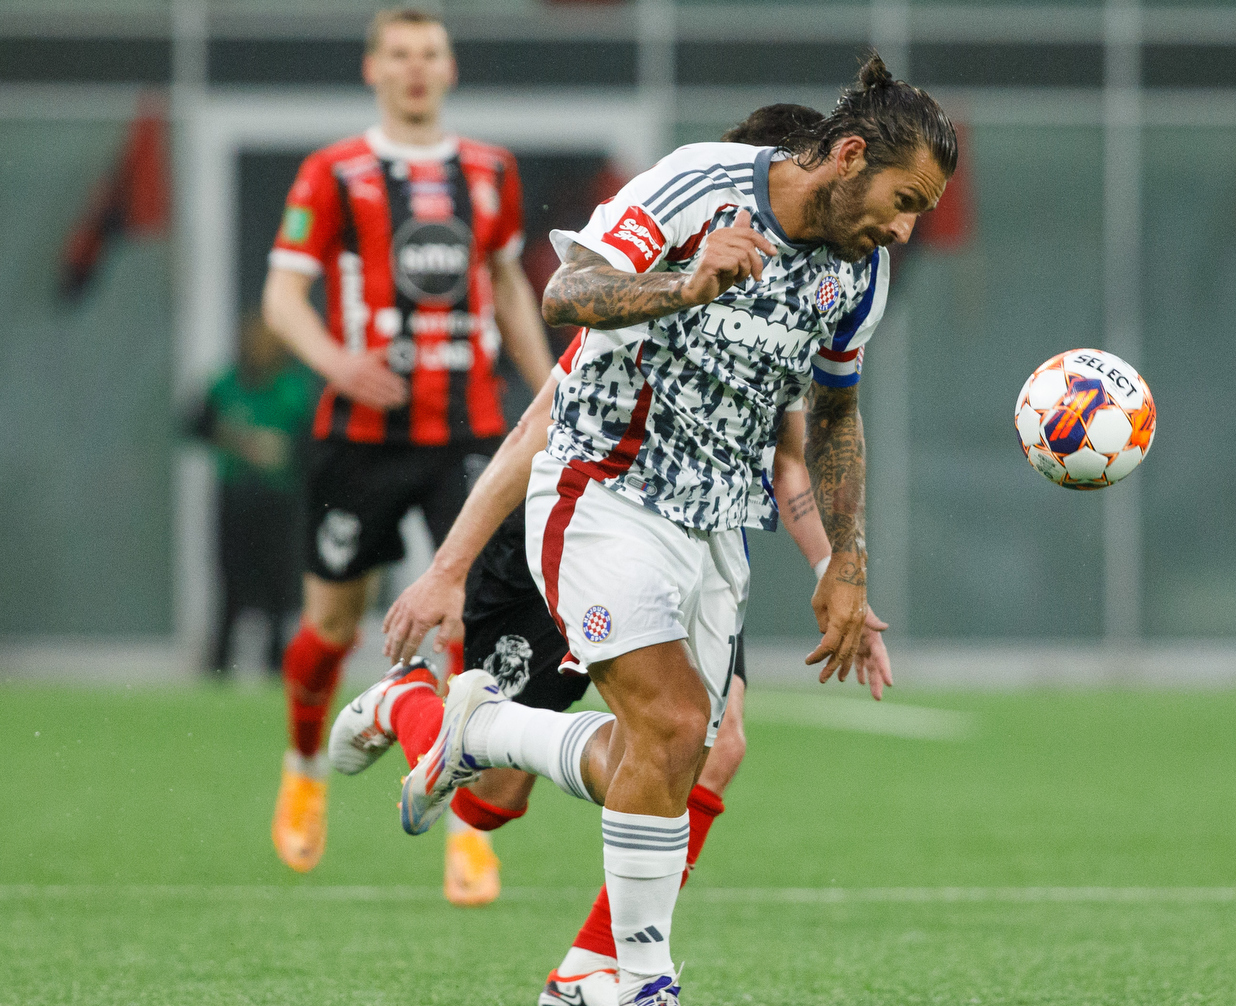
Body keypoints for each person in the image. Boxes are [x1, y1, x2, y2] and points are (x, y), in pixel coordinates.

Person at [397, 56, 956, 1006]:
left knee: (673, 750)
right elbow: (567, 292)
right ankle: (645, 990)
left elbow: (830, 418)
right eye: (903, 201)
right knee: (675, 722)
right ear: (851, 155)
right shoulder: (698, 182)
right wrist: (686, 282)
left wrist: (847, 561)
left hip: (716, 527)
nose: (905, 229)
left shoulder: (859, 273)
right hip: (603, 490)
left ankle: (479, 732)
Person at [331, 107, 889, 931]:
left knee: (707, 741)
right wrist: (447, 570)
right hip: (585, 518)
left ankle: (599, 967)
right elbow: (532, 435)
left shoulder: (789, 306)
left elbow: (792, 456)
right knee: (490, 803)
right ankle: (411, 705)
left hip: (696, 531)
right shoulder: (633, 309)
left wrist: (834, 571)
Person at [259, 6, 555, 877]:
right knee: (330, 623)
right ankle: (305, 767)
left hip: (466, 432)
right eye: (400, 55)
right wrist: (337, 363)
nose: (416, 68)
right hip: (358, 437)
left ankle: (467, 819)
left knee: (469, 613)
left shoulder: (490, 171)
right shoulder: (334, 172)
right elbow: (283, 296)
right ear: (373, 69)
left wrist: (550, 395)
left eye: (430, 54)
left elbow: (506, 289)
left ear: (450, 69)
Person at [190, 315, 318, 674]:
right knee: (230, 577)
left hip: (279, 500)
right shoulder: (225, 385)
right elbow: (194, 424)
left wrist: (283, 451)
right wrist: (235, 439)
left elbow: (313, 446)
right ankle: (220, 661)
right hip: (235, 496)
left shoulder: (293, 390)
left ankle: (276, 660)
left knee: (279, 580)